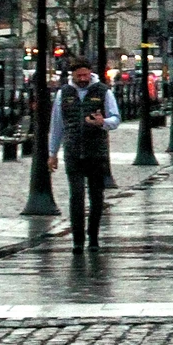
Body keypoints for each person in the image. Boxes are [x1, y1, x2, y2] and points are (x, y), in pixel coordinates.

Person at [47, 54, 120, 252]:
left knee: (96, 196)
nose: (82, 79)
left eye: (85, 75)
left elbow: (116, 118)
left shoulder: (103, 92)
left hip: (96, 152)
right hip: (73, 152)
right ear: (73, 75)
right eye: (79, 76)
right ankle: (77, 239)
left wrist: (102, 122)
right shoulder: (64, 94)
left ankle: (93, 237)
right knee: (76, 195)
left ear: (90, 73)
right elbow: (57, 126)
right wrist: (52, 153)